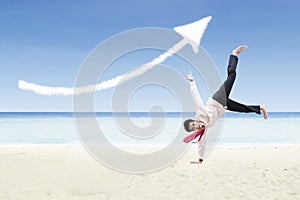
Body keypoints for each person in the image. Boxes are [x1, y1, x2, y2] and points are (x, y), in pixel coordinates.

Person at [183, 45, 268, 164]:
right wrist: (200, 159)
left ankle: (234, 54)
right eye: (193, 128)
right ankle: (260, 108)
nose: (195, 126)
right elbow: (202, 144)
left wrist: (192, 83)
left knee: (232, 76)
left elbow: (196, 99)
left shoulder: (200, 114)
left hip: (217, 99)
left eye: (193, 124)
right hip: (223, 106)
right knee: (241, 108)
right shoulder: (203, 131)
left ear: (194, 121)